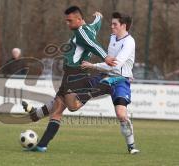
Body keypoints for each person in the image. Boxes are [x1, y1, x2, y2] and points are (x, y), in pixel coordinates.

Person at [22, 6, 117, 152]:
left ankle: (103, 87)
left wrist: (106, 57)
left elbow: (92, 45)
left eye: (70, 20)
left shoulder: (81, 32)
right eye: (66, 20)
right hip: (69, 74)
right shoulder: (90, 28)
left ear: (79, 20)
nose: (67, 23)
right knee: (57, 110)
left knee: (72, 106)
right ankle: (41, 145)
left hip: (76, 74)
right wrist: (99, 17)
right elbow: (96, 23)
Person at [81, 12, 140, 154]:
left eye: (115, 24)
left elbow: (115, 64)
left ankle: (131, 146)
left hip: (120, 80)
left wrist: (93, 65)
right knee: (76, 90)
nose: (111, 26)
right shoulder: (113, 37)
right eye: (111, 23)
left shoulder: (129, 42)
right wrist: (82, 24)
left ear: (123, 26)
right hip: (106, 76)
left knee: (121, 114)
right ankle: (41, 112)